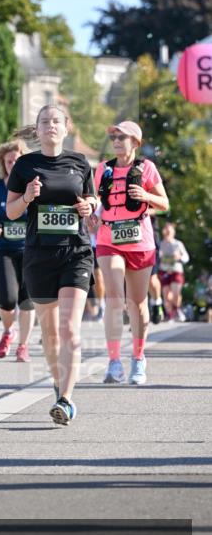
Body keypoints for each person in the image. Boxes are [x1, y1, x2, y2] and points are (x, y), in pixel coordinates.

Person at [6, 105, 98, 426]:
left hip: (76, 252)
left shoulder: (79, 162)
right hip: (39, 255)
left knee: (69, 328)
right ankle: (59, 383)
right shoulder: (25, 165)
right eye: (45, 122)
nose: (51, 126)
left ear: (66, 127)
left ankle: (67, 399)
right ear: (38, 129)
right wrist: (28, 197)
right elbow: (12, 211)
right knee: (49, 334)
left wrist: (90, 205)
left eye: (56, 121)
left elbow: (92, 198)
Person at [95, 121, 170, 386]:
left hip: (140, 242)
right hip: (108, 239)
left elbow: (165, 203)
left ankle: (138, 358)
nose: (116, 141)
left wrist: (146, 196)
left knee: (137, 304)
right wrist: (90, 215)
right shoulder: (102, 169)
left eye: (122, 137)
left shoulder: (147, 168)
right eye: (113, 136)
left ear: (135, 142)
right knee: (114, 298)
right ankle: (114, 362)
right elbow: (95, 201)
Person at [0, 139, 35, 362]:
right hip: (4, 248)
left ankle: (23, 346)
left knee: (27, 300)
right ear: (2, 163)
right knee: (7, 299)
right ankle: (8, 331)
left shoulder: (33, 186)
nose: (12, 164)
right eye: (8, 161)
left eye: (16, 160)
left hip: (29, 249)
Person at [158, 221, 189, 322]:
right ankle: (170, 315)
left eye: (169, 229)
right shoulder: (160, 244)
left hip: (176, 270)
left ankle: (177, 310)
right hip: (164, 271)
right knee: (166, 295)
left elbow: (186, 257)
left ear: (173, 232)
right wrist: (160, 257)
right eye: (166, 229)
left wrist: (180, 257)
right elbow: (157, 258)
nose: (167, 231)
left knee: (176, 293)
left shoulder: (178, 244)